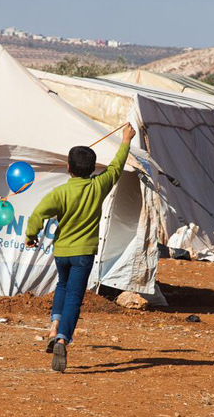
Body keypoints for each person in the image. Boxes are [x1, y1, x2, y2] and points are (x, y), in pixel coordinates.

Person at [25, 123, 136, 372]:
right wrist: (126, 140)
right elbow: (116, 167)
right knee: (75, 295)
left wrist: (31, 235)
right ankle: (63, 338)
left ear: (68, 168)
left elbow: (37, 215)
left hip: (62, 252)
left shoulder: (60, 192)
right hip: (83, 253)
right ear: (91, 168)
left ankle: (53, 326)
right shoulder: (99, 186)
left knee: (62, 286)